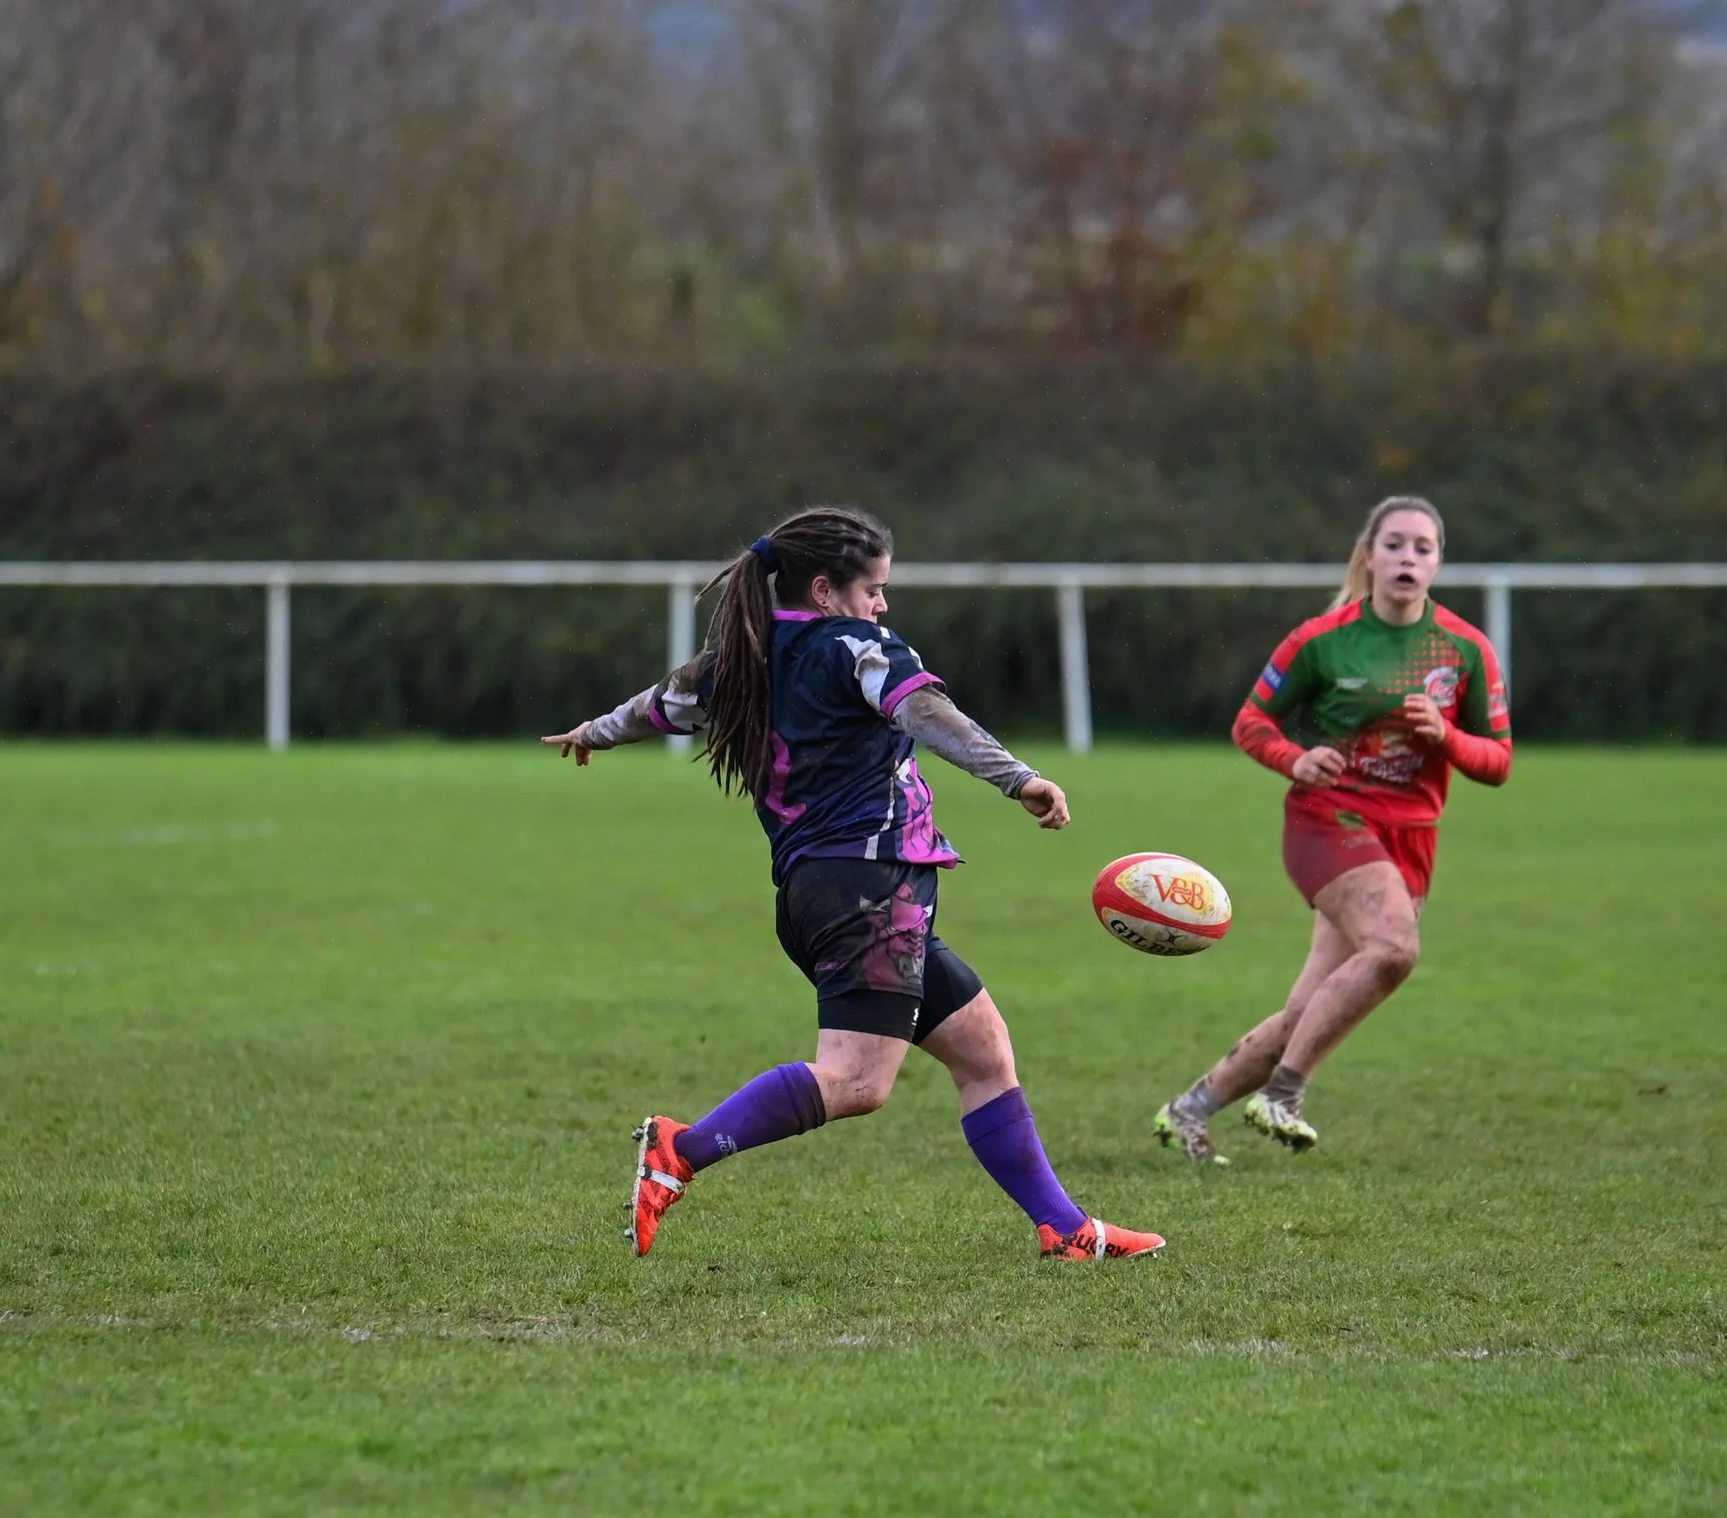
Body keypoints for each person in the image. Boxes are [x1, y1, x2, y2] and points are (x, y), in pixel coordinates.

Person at [544, 506, 1164, 1261]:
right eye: (873, 588)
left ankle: (1067, 1228)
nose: (882, 605)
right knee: (858, 1081)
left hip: (822, 895)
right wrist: (1019, 779)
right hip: (869, 892)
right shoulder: (856, 647)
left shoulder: (747, 653)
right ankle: (682, 1150)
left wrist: (594, 732)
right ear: (825, 589)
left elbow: (659, 707)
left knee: (983, 1052)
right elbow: (925, 710)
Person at [1151, 495, 1510, 1160]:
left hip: (1412, 837)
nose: (1408, 557)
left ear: (1438, 563)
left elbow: (1498, 762)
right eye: (1396, 544)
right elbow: (1251, 723)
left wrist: (1448, 737)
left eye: (1423, 547)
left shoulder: (1464, 649)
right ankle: (1284, 1092)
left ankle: (1190, 1109)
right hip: (1330, 819)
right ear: (1369, 556)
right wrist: (1296, 757)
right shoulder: (1321, 641)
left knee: (1313, 1007)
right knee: (1395, 950)